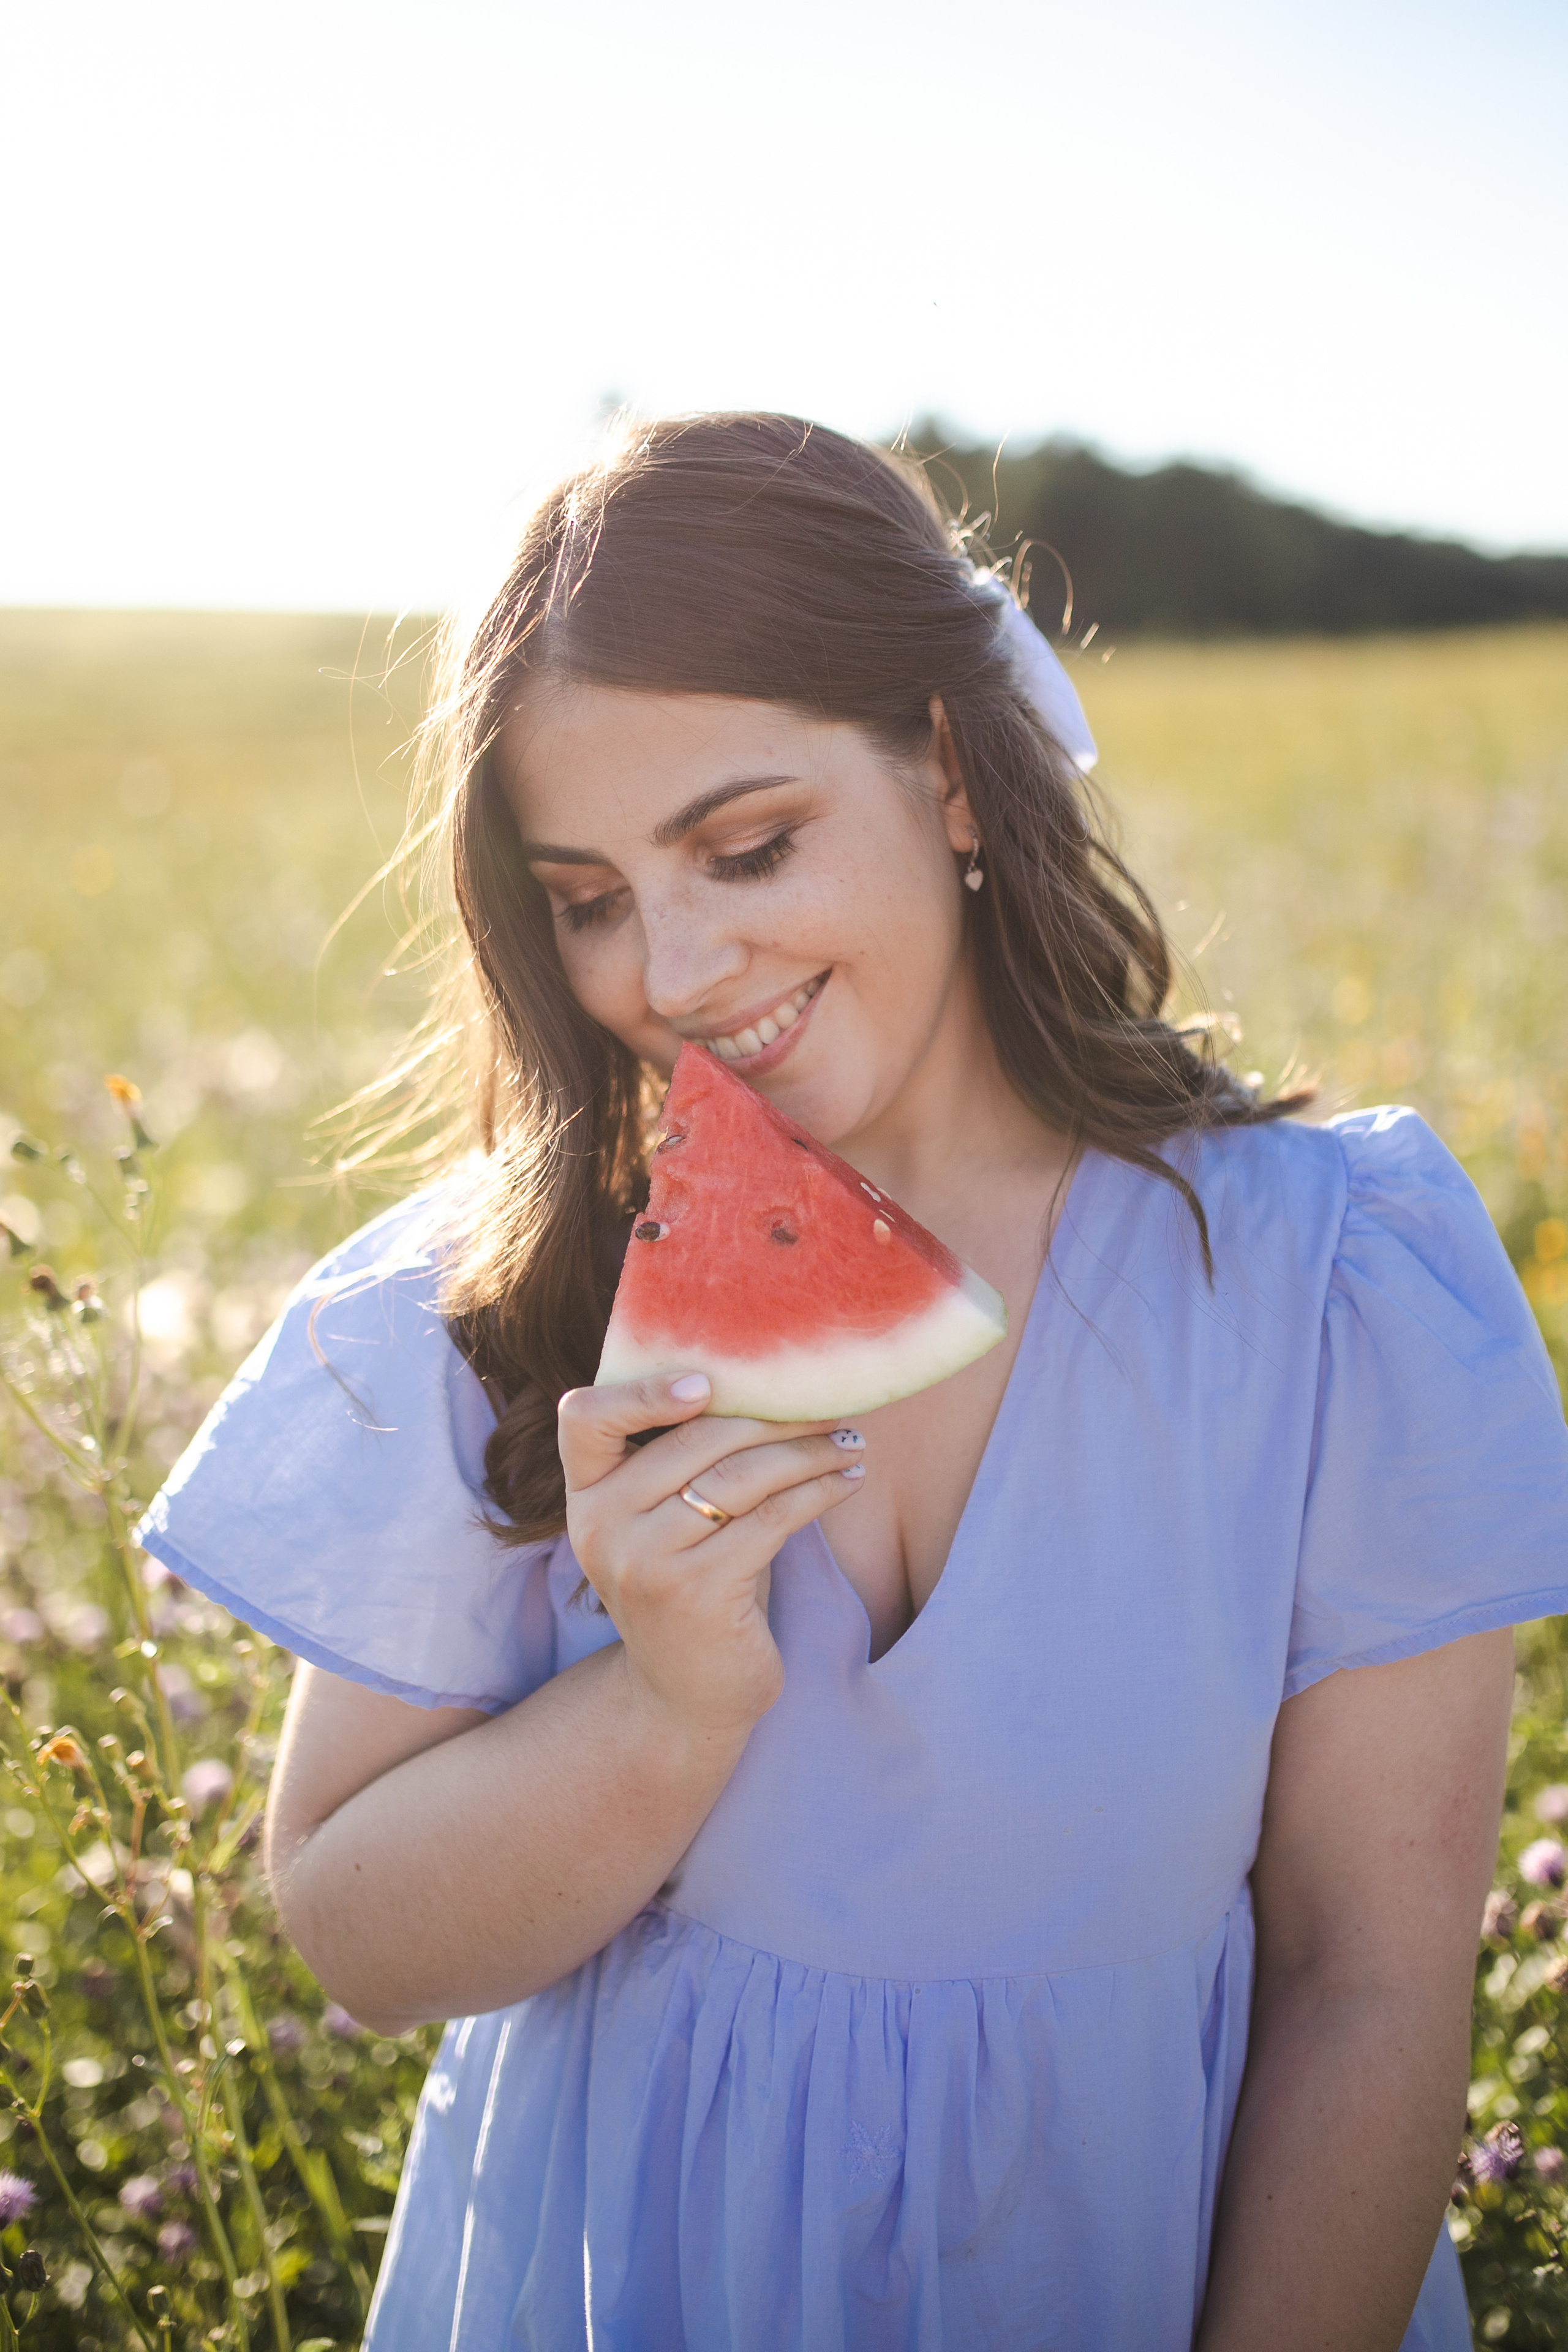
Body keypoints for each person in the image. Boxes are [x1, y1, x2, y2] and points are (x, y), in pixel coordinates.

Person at [138, 414, 1568, 2352]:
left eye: (747, 847)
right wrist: (667, 1701)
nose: (674, 964)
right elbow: (356, 1940)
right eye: (587, 895)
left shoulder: (1326, 1283)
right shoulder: (505, 1298)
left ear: (956, 769)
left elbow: (1370, 1984)